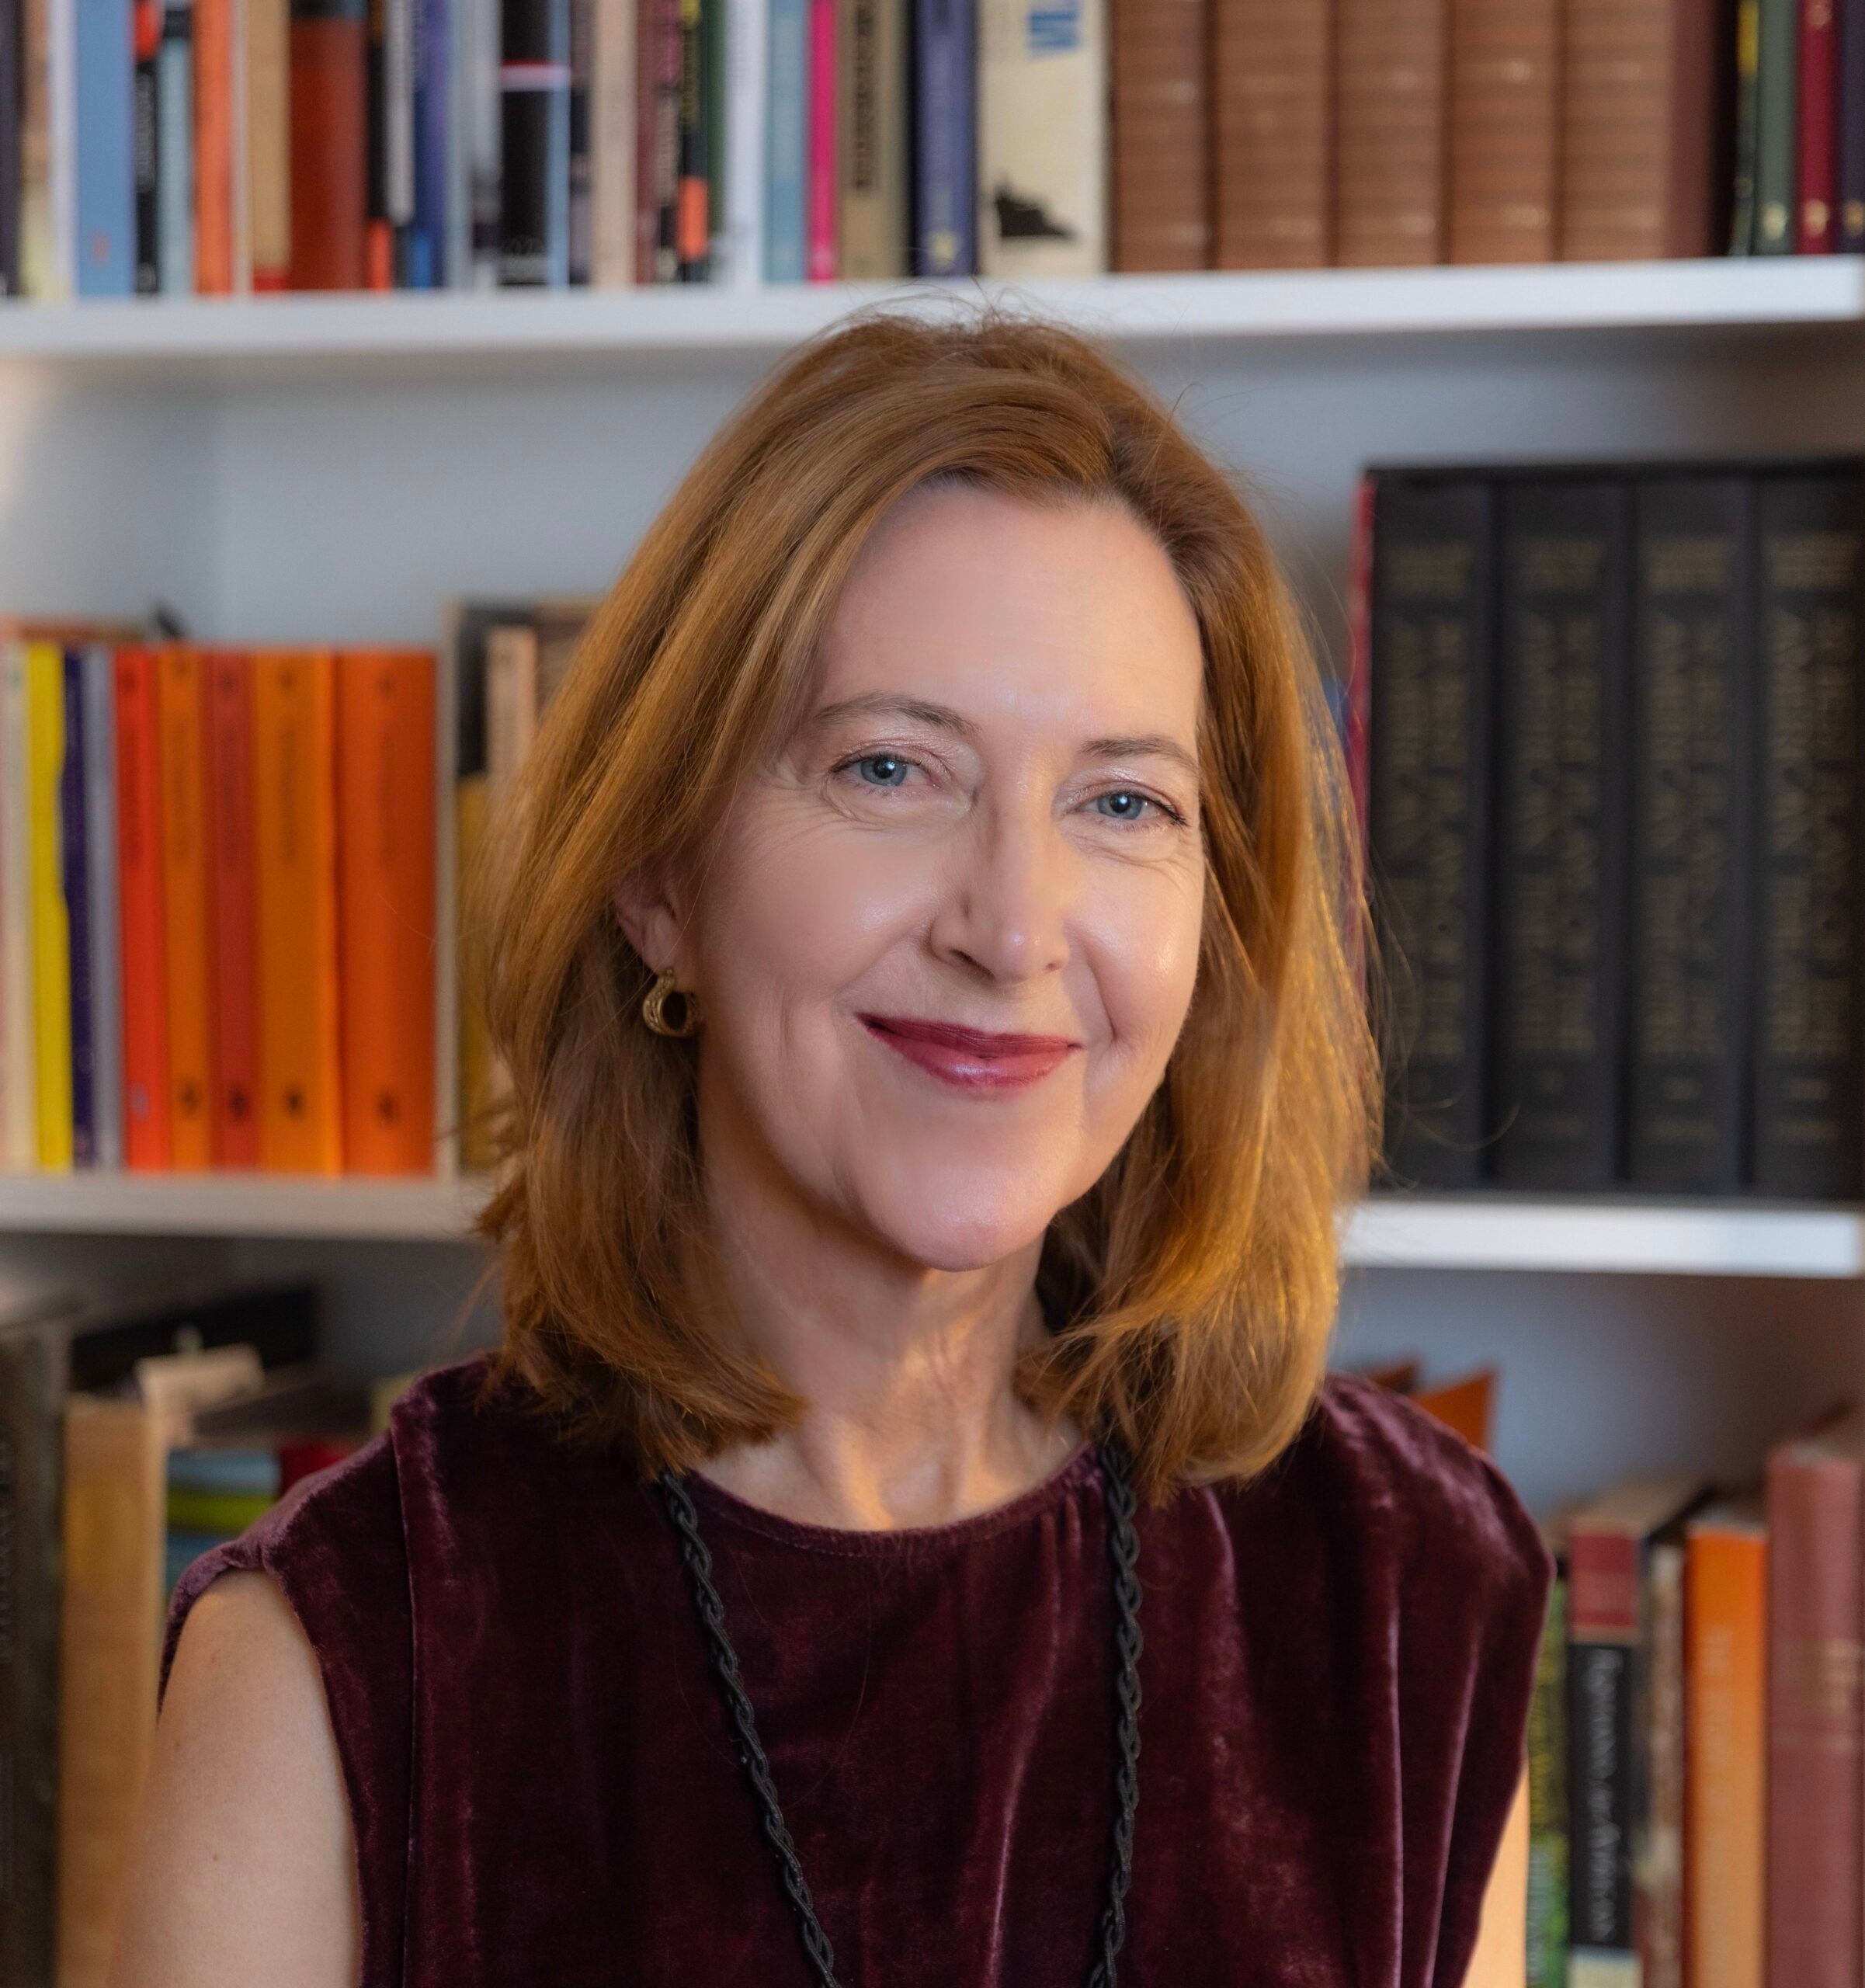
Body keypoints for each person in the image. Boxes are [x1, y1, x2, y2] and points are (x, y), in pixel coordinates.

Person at [112, 306, 1551, 1988]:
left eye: (1122, 802)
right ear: (659, 879)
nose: (1014, 926)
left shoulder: (1403, 1593)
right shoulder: (340, 1652)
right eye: (890, 766)